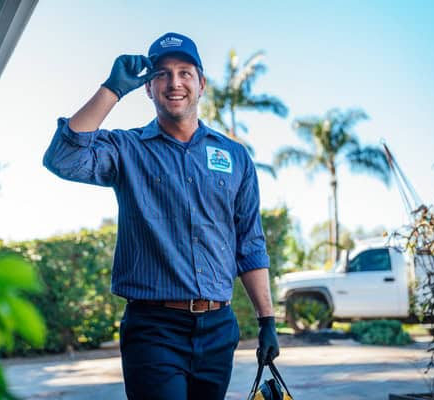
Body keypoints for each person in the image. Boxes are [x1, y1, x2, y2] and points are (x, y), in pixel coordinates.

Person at [43, 32, 279, 400]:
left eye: (185, 73)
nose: (174, 83)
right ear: (149, 89)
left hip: (218, 328)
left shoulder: (235, 157)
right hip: (154, 329)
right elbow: (63, 159)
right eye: (162, 74)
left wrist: (267, 321)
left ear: (201, 84)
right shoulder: (126, 149)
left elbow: (249, 243)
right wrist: (111, 89)